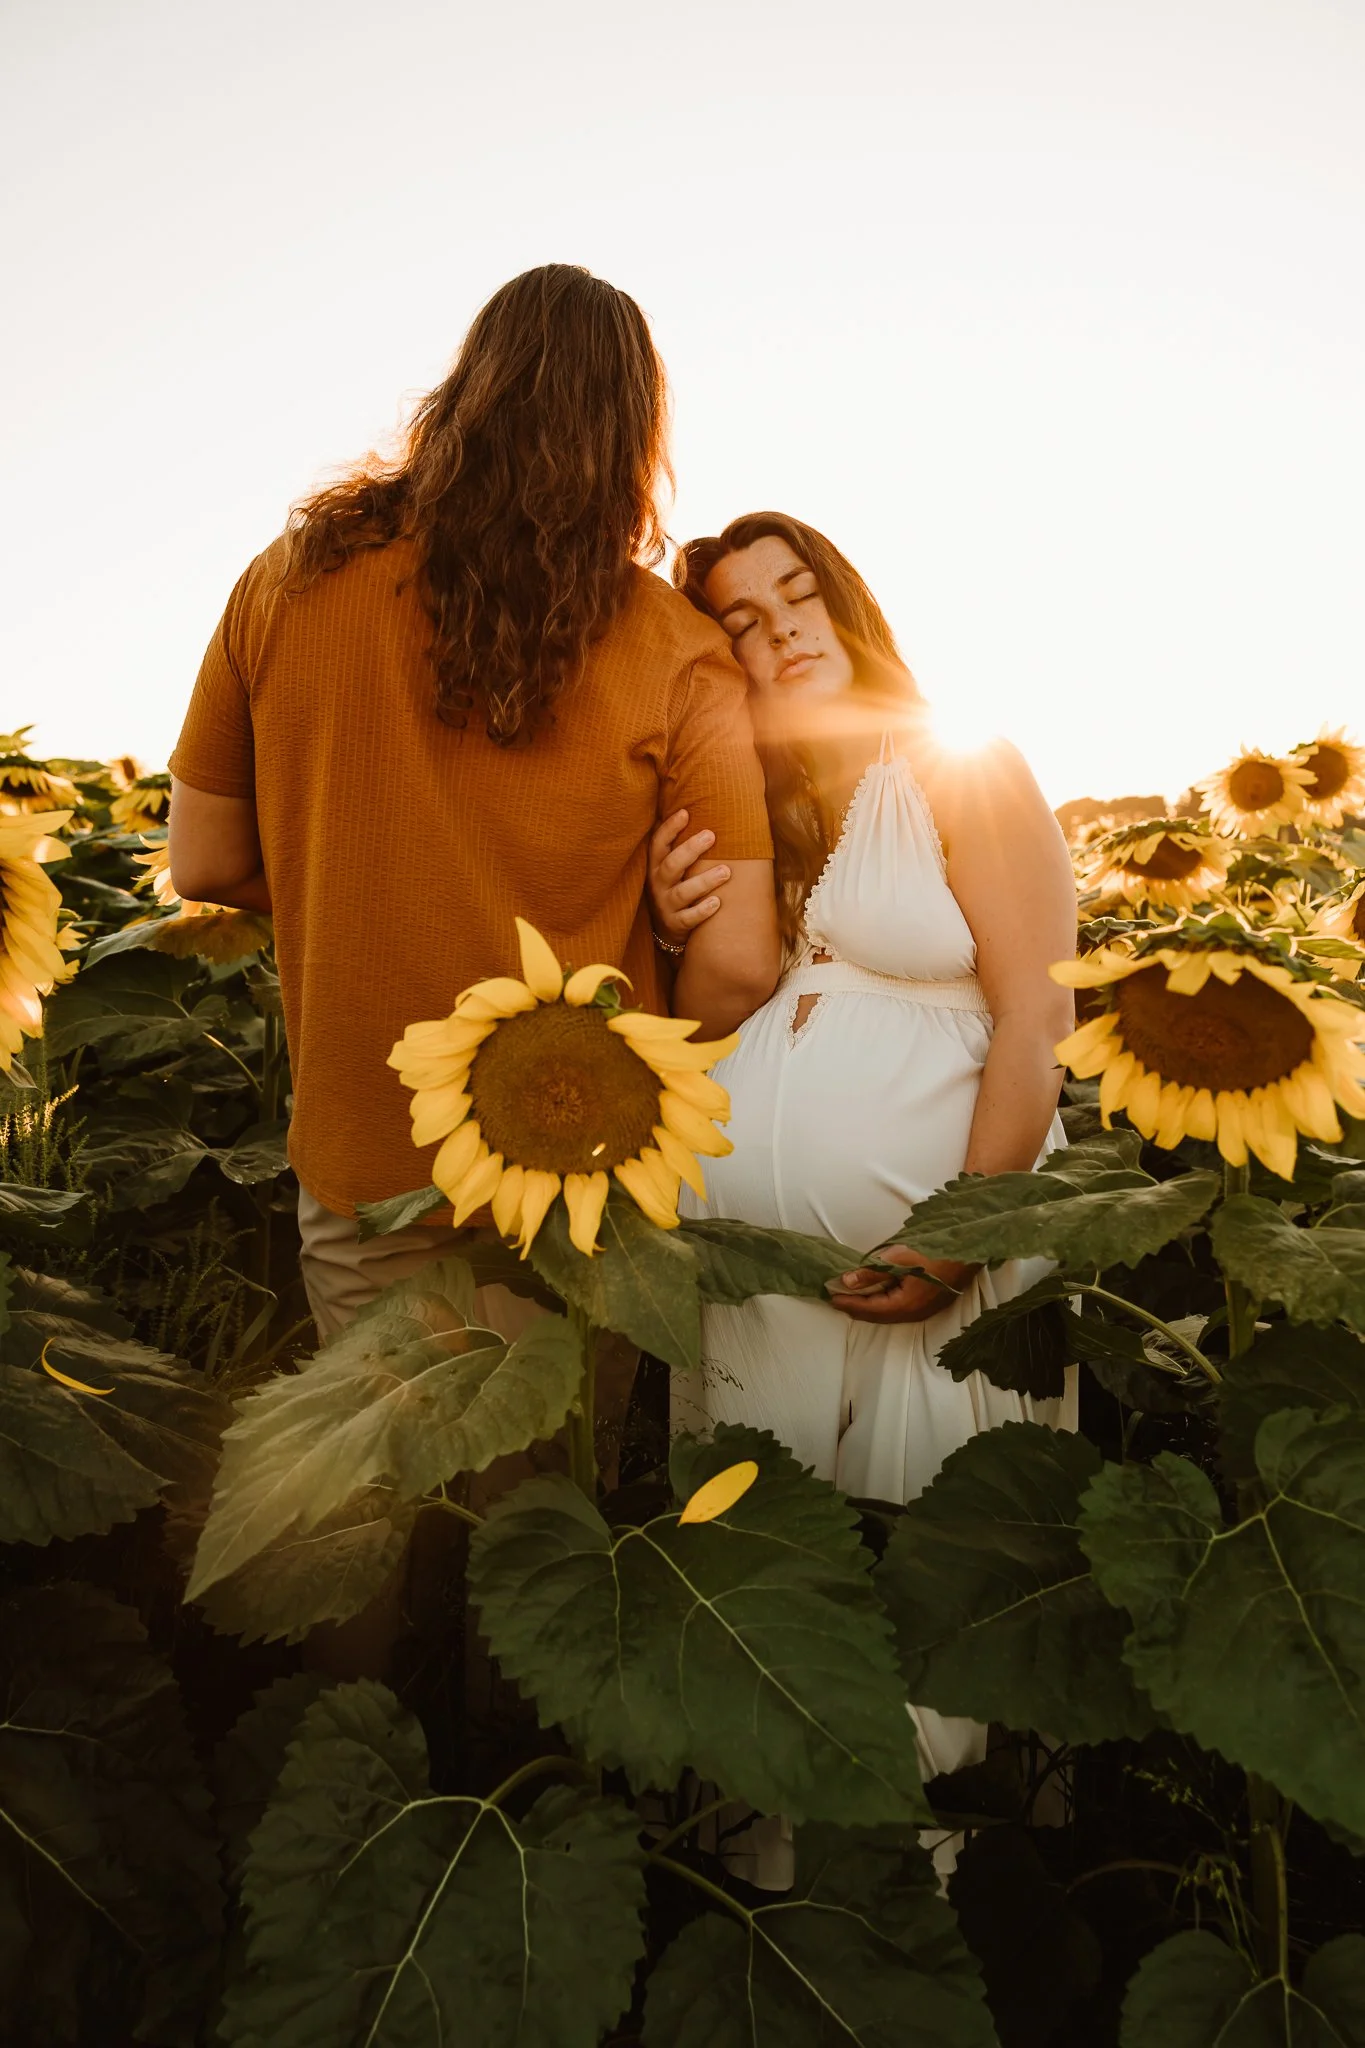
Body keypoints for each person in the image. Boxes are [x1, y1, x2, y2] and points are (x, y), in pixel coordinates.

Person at [167, 266, 779, 1354]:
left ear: (465, 390)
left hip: (366, 1165)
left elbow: (205, 862)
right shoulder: (680, 653)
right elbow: (736, 968)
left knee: (389, 1495)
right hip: (581, 1182)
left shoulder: (288, 582)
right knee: (538, 1512)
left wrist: (352, 878)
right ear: (637, 434)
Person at [650, 512, 1078, 1858]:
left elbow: (1034, 1023)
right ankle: (768, 1903)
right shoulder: (752, 805)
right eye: (740, 617)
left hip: (940, 1259)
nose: (781, 629)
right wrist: (678, 925)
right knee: (765, 1581)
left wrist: (956, 1241)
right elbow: (723, 1021)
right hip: (759, 1288)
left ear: (847, 605)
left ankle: (917, 1917)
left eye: (799, 595)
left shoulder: (958, 766)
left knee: (927, 1590)